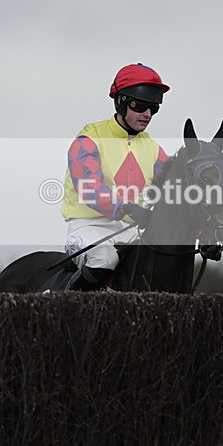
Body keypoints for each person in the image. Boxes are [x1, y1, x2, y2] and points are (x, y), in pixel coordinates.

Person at [59, 63, 169, 290]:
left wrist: (203, 229)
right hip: (88, 229)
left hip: (130, 233)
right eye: (140, 106)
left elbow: (175, 192)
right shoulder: (89, 139)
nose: (147, 114)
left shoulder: (154, 149)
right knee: (104, 260)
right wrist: (127, 208)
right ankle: (62, 303)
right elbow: (90, 188)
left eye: (153, 108)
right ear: (120, 101)